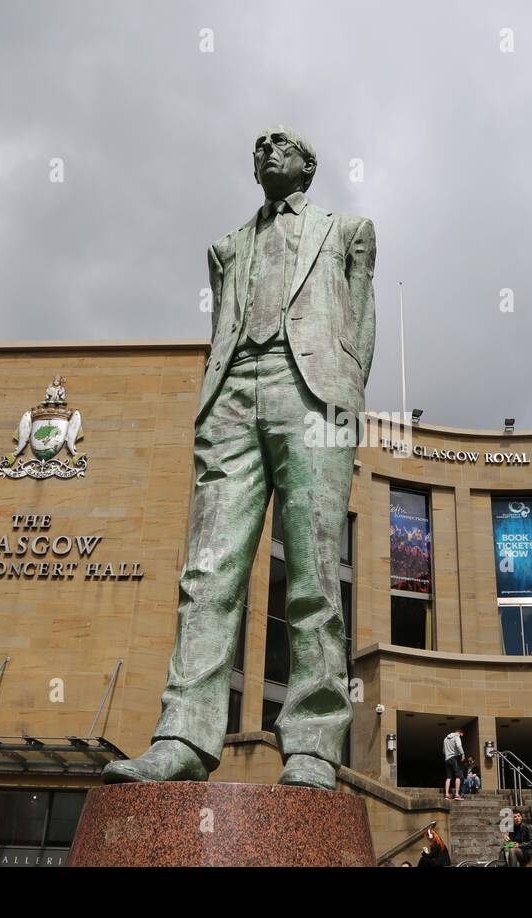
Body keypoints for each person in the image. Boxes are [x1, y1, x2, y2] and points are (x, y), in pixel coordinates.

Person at [101, 126, 376, 791]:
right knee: (207, 571)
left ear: (308, 166)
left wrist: (344, 395)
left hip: (310, 392)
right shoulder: (226, 247)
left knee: (313, 572)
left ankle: (312, 745)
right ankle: (182, 737)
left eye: (282, 144)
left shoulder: (349, 229)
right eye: (260, 146)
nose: (267, 150)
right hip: (232, 395)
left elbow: (360, 324)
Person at [443, 729, 465, 800]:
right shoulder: (456, 737)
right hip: (454, 758)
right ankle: (457, 795)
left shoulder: (445, 739)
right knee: (458, 776)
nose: (460, 737)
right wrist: (462, 754)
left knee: (448, 777)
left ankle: (447, 795)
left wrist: (448, 753)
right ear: (459, 733)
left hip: (447, 759)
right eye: (461, 735)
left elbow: (443, 750)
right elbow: (459, 746)